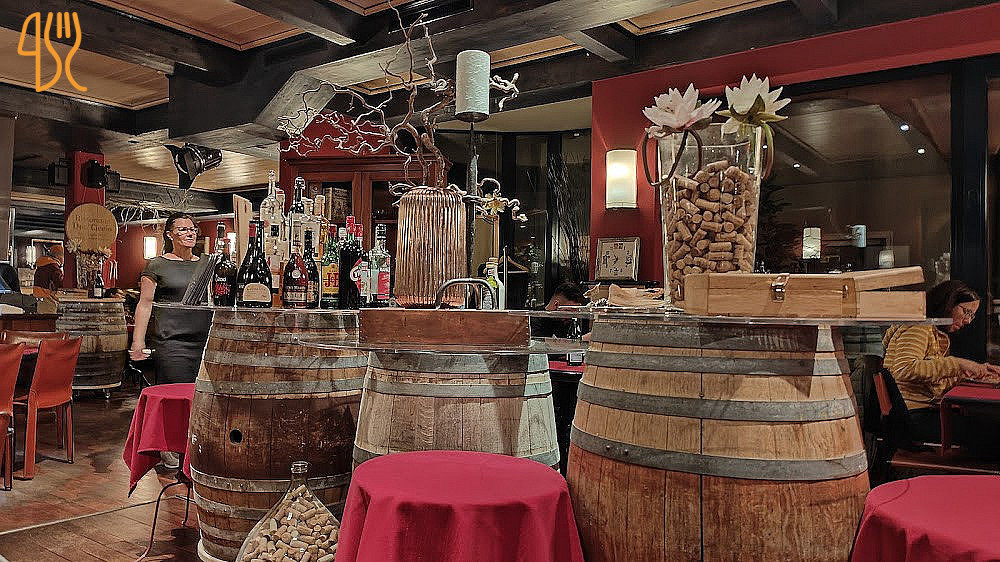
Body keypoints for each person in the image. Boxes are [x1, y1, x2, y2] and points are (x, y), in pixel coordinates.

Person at [882, 280, 1000, 447]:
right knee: (992, 429)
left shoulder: (932, 331)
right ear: (948, 303)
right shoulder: (919, 327)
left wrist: (972, 373)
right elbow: (904, 369)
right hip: (912, 415)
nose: (968, 321)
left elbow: (932, 376)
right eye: (966, 312)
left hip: (922, 410)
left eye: (972, 315)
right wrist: (958, 364)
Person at [129, 213, 212, 383]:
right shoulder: (157, 265)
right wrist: (138, 342)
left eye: (192, 230)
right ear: (169, 235)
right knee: (177, 391)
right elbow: (145, 304)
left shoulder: (206, 264)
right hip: (172, 343)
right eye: (183, 230)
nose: (190, 234)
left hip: (205, 342)